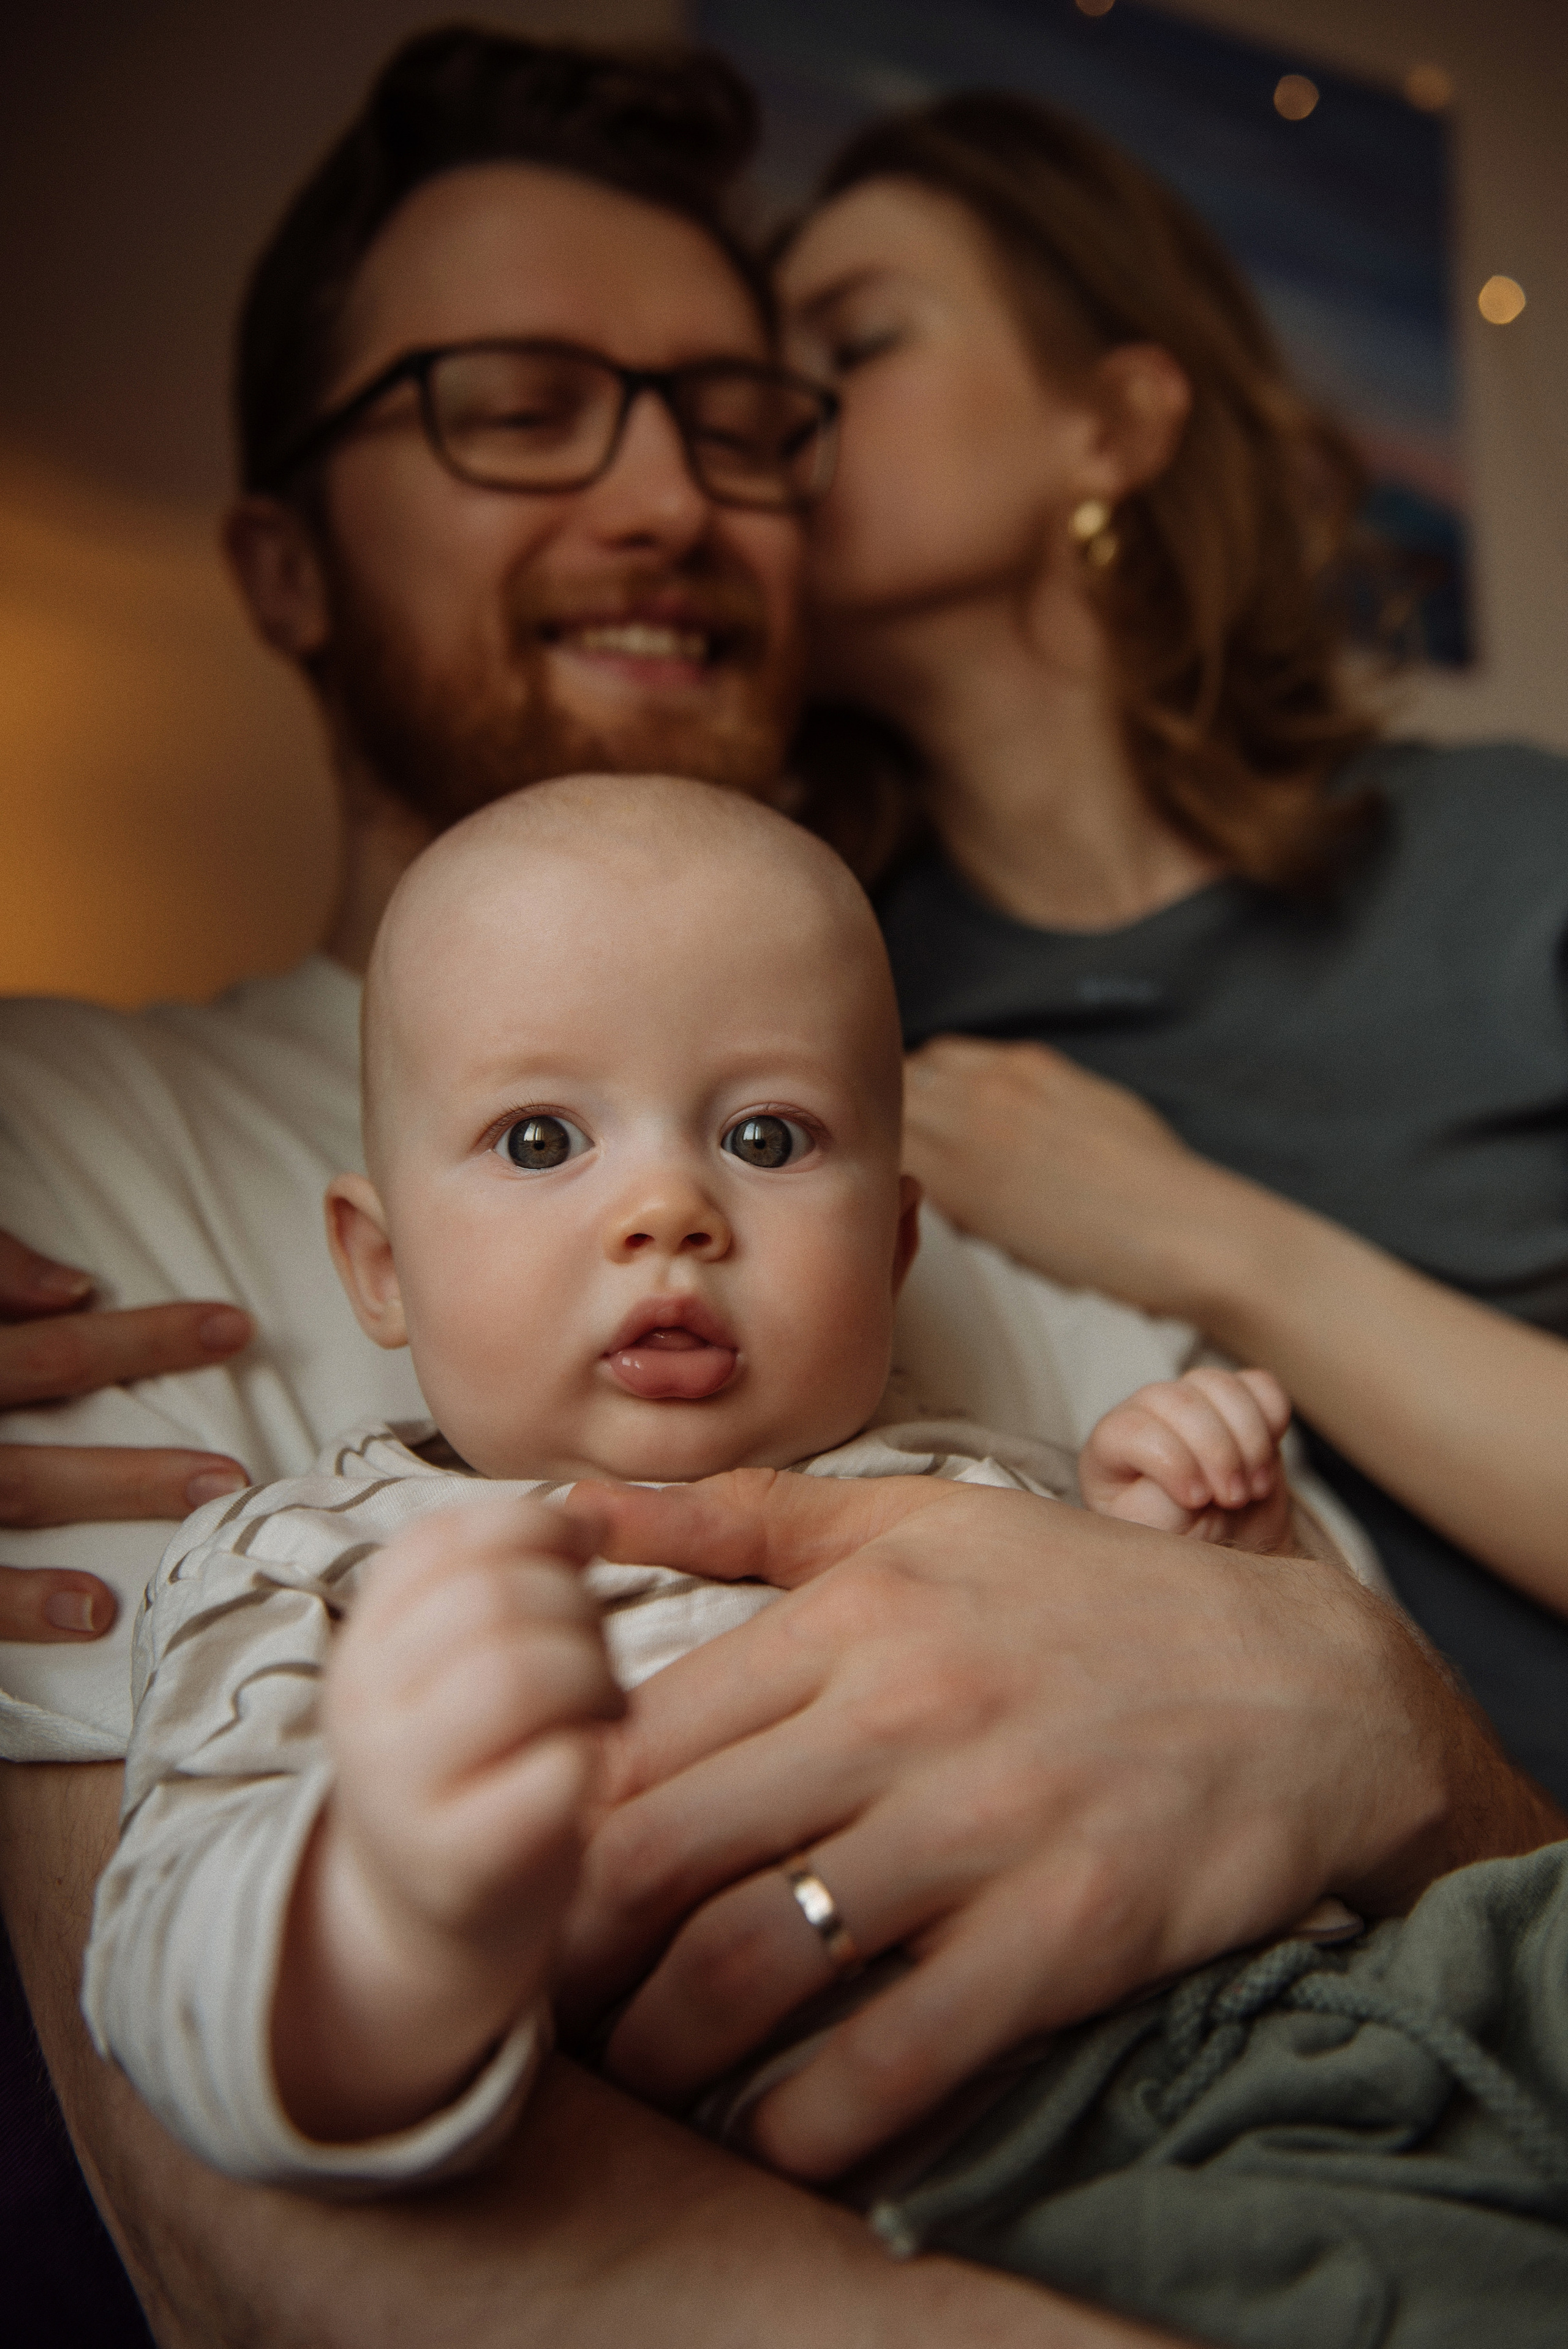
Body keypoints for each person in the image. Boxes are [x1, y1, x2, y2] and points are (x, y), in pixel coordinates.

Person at [0, 31, 1556, 2348]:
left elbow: (1460, 1826)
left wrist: (1324, 1667)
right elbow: (253, 2192)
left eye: (740, 423)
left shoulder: (930, 1129)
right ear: (280, 561)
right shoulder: (65, 1133)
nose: (669, 503)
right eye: (514, 402)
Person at [85, 771, 1322, 2193]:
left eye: (765, 1138)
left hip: (1322, 2047)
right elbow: (162, 1975)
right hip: (1009, 2194)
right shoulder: (304, 1566)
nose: (668, 1210)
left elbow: (1250, 1750)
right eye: (541, 1139)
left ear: (894, 1247)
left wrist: (1208, 1562)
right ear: (380, 1267)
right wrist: (390, 1911)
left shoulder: (993, 1482)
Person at [778, 90, 1568, 1807]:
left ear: (1116, 426)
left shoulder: (1519, 861)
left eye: (857, 341)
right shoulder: (822, 1014)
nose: (779, 418)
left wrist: (1204, 1237)